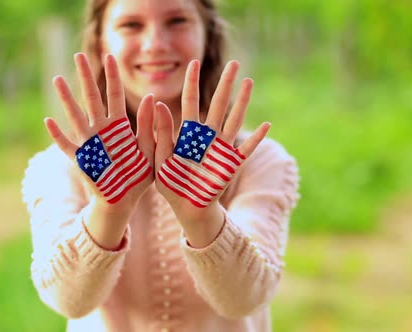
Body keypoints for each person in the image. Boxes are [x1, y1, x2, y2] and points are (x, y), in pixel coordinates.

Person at [21, 0, 301, 331]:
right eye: (131, 25)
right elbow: (69, 300)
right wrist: (107, 211)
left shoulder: (257, 160)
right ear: (101, 41)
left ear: (208, 35)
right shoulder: (64, 166)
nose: (155, 44)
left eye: (177, 20)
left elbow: (244, 300)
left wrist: (203, 218)